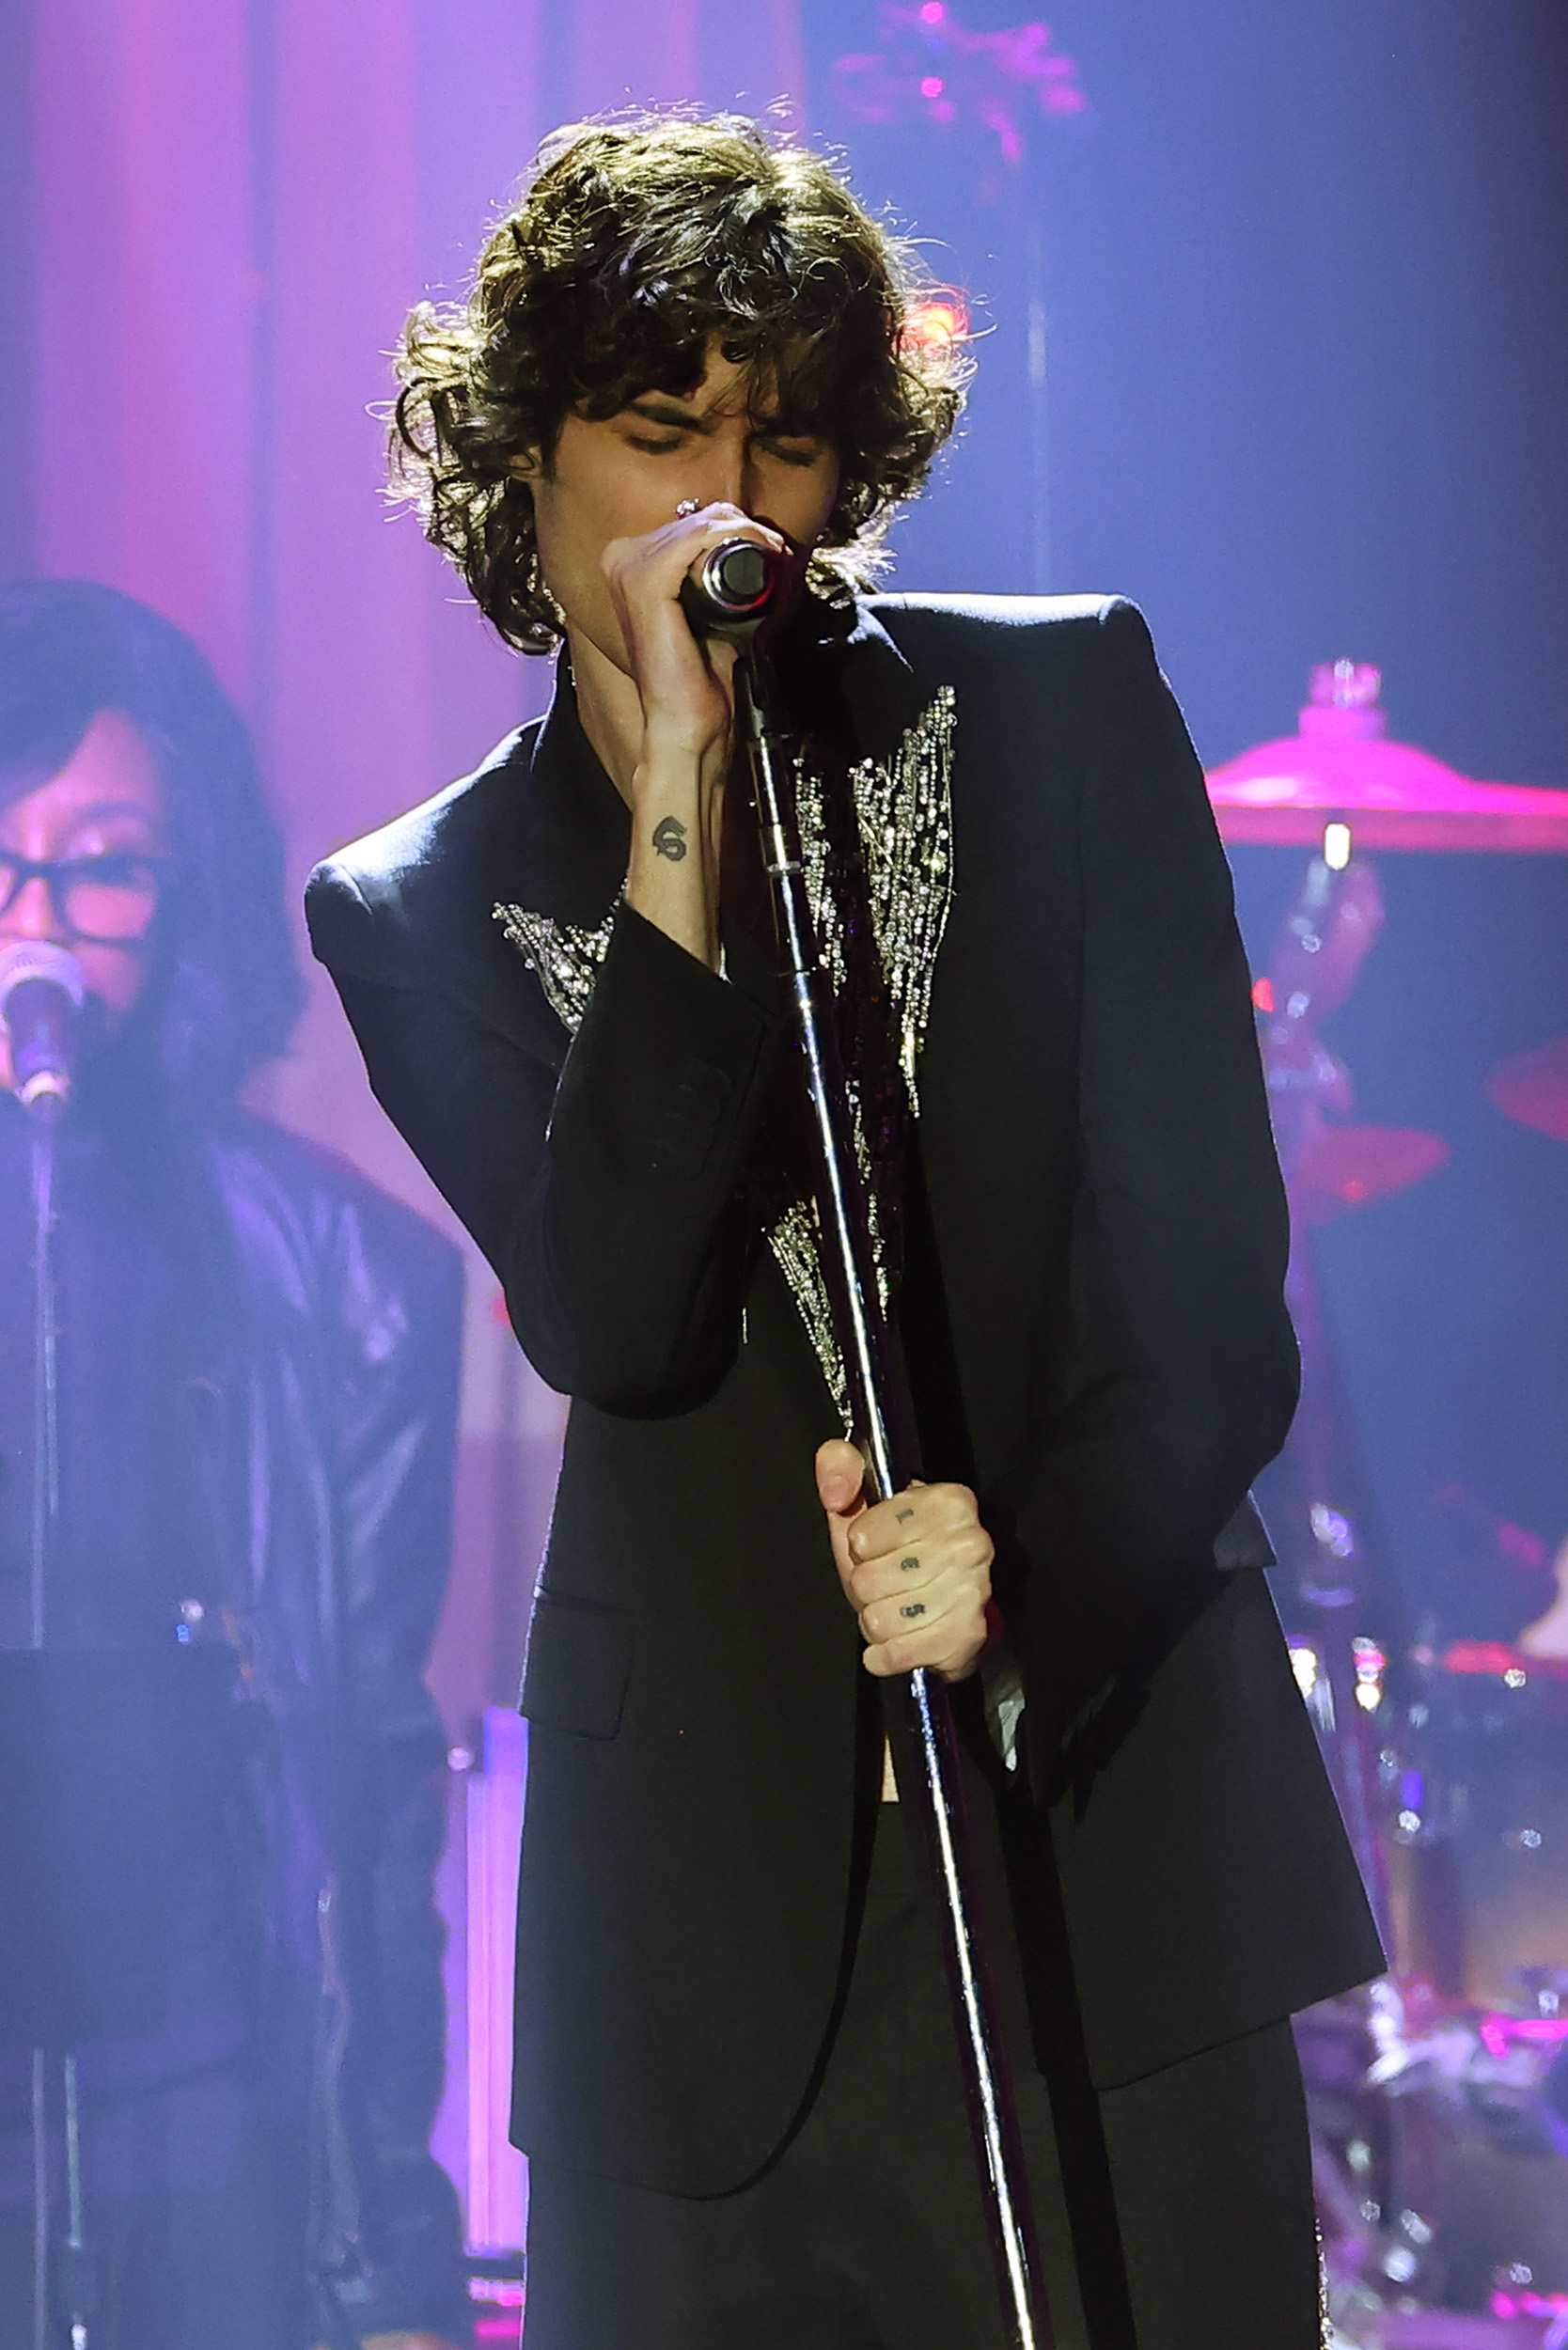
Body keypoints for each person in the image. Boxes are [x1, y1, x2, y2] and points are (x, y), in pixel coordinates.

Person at [306, 114, 1385, 2349]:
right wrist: (678, 794)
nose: (728, 504)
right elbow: (616, 1311)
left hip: (1099, 1846)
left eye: (784, 441)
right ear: (525, 450)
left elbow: (1205, 1302)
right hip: (703, 1943)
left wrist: (1023, 1578)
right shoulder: (419, 904)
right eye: (657, 425)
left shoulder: (1059, 706)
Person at [0, 580, 471, 2350]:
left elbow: (370, 1799)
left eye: (104, 865)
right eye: (0, 858)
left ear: (183, 894)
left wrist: (389, 2263)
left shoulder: (344, 1286)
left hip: (196, 2132)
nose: (38, 923)